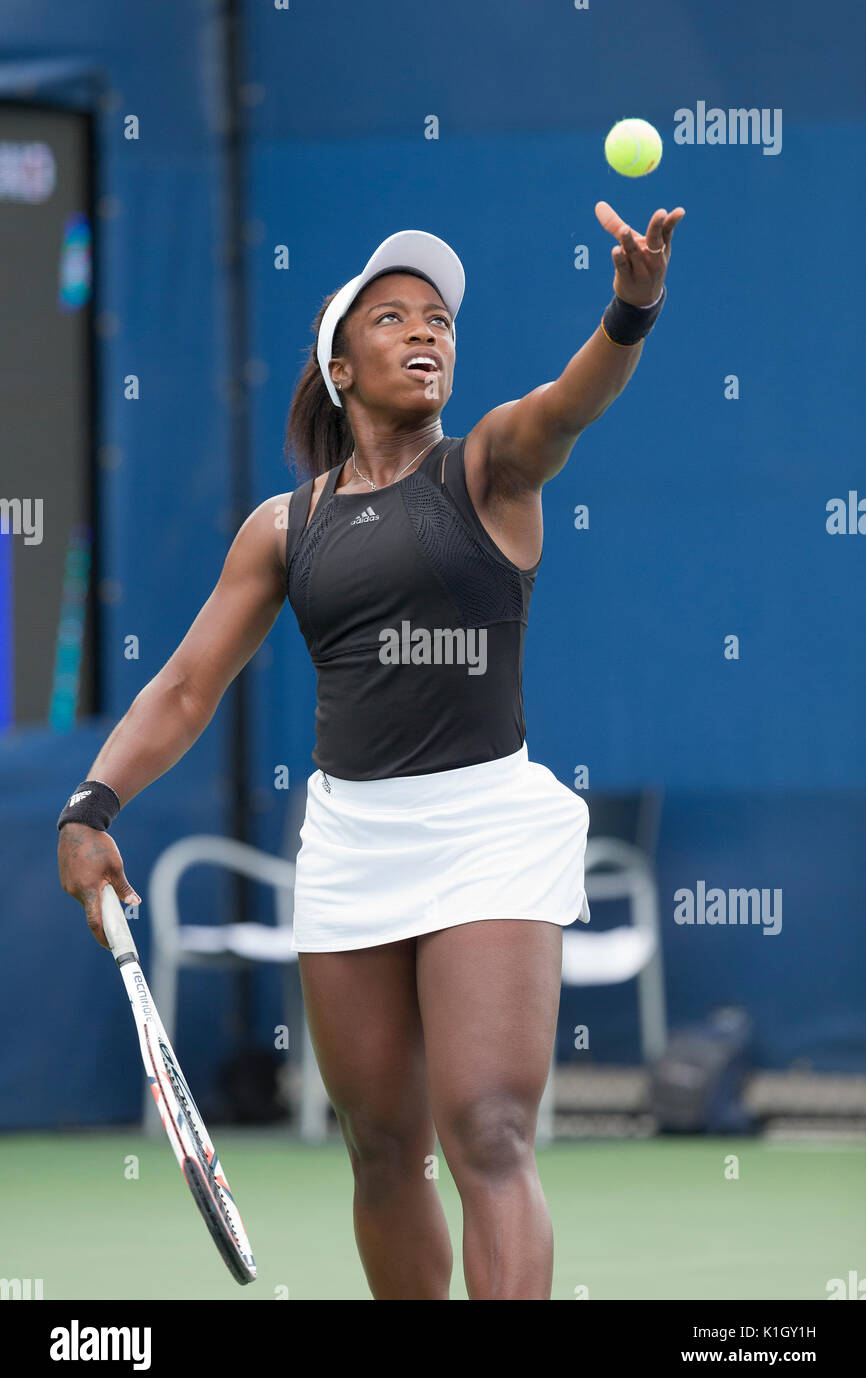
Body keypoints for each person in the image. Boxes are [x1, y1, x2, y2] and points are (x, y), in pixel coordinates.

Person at [58, 204, 684, 1300]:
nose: (423, 333)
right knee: (383, 1147)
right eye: (391, 318)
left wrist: (629, 309)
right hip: (351, 844)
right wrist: (91, 805)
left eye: (437, 319)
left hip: (488, 830)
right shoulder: (282, 528)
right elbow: (186, 685)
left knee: (487, 1126)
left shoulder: (489, 466)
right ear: (339, 366)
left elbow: (569, 404)